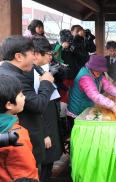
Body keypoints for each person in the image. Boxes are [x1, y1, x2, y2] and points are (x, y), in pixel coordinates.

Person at [0, 36, 55, 170]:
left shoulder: (9, 72)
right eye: (33, 54)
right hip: (21, 142)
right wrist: (46, 82)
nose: (35, 58)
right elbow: (38, 105)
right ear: (19, 56)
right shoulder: (14, 78)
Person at [32, 39, 63, 182]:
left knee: (49, 159)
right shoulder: (30, 75)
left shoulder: (40, 69)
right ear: (37, 54)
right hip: (43, 123)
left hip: (50, 116)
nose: (50, 57)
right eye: (48, 54)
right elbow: (34, 108)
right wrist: (44, 133)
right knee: (43, 160)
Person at [0, 75, 39, 182]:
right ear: (9, 105)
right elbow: (26, 172)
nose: (24, 97)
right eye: (21, 95)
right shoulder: (15, 135)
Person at [67, 55, 116, 129]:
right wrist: (112, 105)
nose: (100, 72)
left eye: (101, 70)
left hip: (87, 107)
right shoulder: (85, 77)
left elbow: (107, 86)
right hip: (78, 111)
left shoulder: (97, 73)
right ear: (91, 68)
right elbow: (95, 96)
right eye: (98, 70)